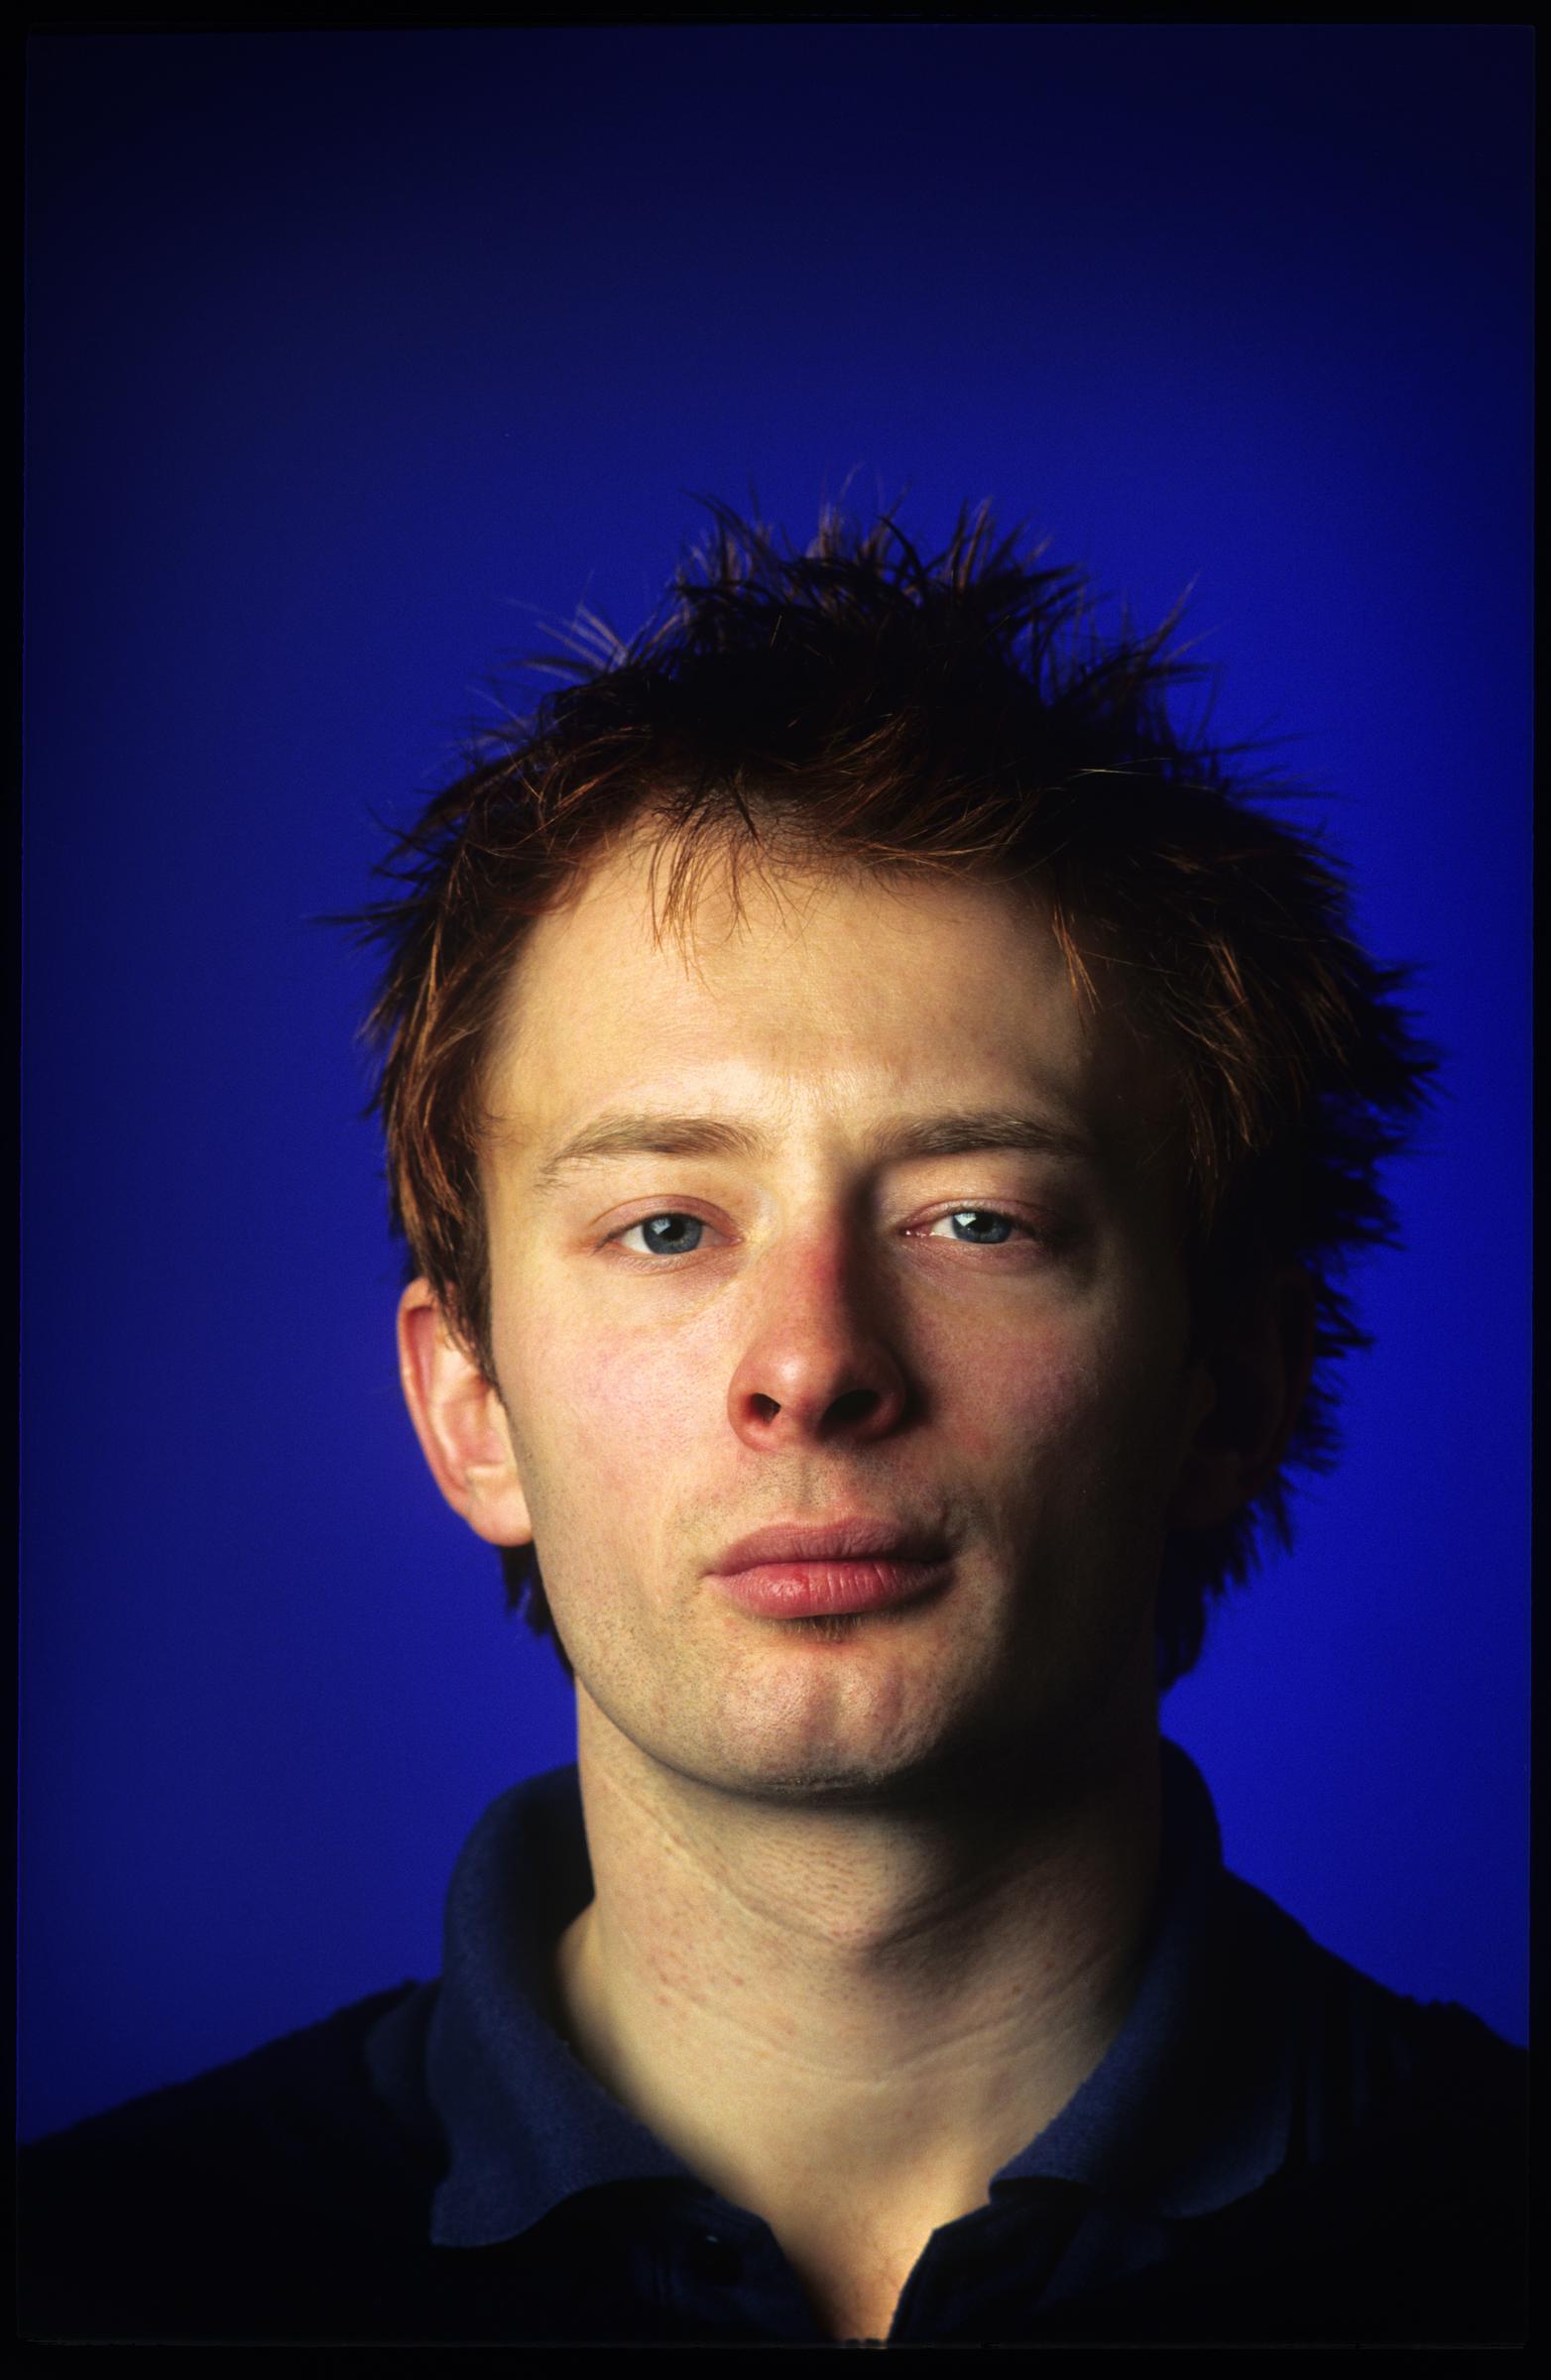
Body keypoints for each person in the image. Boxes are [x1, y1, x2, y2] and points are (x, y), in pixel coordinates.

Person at [18, 505, 1525, 2345]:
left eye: (977, 1218)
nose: (810, 1365)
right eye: (667, 1227)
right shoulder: (91, 2291)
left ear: (1236, 1384)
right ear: (467, 1406)